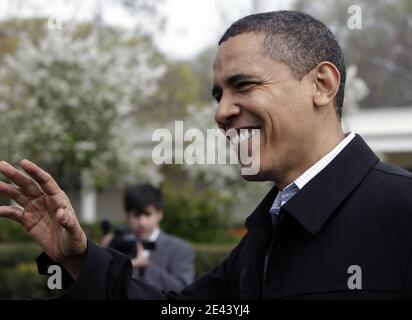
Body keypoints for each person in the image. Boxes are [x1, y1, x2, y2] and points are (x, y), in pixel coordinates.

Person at [1, 10, 412, 299]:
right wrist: (81, 260)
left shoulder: (401, 211)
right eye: (219, 94)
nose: (221, 113)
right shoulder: (262, 240)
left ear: (322, 84)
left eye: (244, 85)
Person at [102, 184, 195, 292]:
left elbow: (183, 290)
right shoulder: (116, 245)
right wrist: (103, 255)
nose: (142, 222)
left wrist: (146, 267)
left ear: (159, 213)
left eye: (148, 214)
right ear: (127, 215)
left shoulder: (180, 249)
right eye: (136, 215)